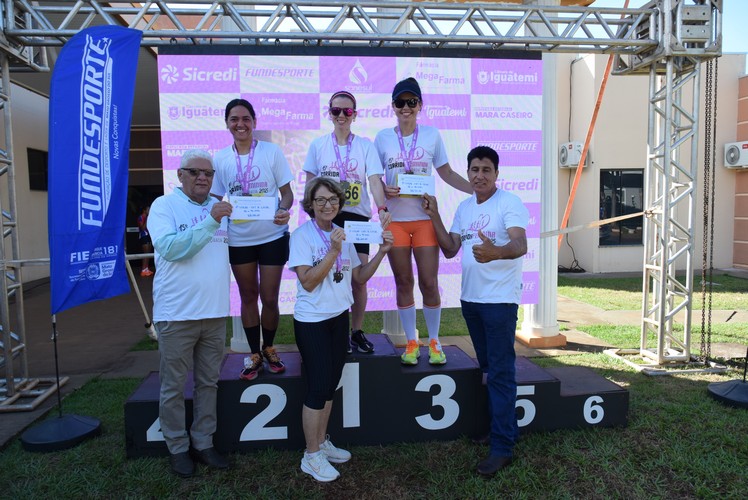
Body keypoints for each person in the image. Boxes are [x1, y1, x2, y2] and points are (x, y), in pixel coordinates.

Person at [422, 145, 529, 476]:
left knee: (500, 372)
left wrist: (496, 252)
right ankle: (496, 430)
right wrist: (435, 215)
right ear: (467, 174)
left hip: (499, 303)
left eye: (486, 170)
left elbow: (520, 244)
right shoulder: (464, 207)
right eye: (474, 170)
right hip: (472, 301)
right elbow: (451, 249)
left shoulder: (509, 202)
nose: (479, 175)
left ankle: (502, 446)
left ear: (497, 174)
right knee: (488, 369)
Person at [289, 177, 393, 482]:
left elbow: (358, 277)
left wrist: (382, 252)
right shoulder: (301, 237)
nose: (328, 205)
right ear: (311, 204)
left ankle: (321, 443)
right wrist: (333, 252)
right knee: (318, 387)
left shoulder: (342, 236)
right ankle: (310, 456)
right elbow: (307, 281)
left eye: (333, 200)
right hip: (312, 322)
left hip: (337, 319)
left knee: (331, 384)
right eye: (321, 200)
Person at [374, 77, 472, 366]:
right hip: (396, 221)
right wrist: (383, 190)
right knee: (403, 281)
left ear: (420, 106)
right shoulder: (383, 138)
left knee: (429, 282)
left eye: (412, 102)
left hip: (425, 219)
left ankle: (435, 341)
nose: (406, 108)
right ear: (393, 106)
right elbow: (374, 178)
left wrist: (479, 191)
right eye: (401, 102)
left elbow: (447, 173)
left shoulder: (431, 135)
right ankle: (410, 342)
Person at [148, 149, 233, 477]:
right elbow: (171, 249)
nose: (203, 178)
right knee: (172, 385)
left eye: (208, 174)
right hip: (176, 314)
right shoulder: (164, 206)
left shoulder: (219, 209)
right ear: (180, 175)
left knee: (208, 382)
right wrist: (212, 219)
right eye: (195, 172)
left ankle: (203, 441)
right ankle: (177, 446)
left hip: (214, 313)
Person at [303, 90, 392, 354]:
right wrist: (311, 212)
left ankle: (357, 331)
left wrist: (382, 207)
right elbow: (310, 182)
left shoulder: (365, 145)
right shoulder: (318, 145)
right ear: (329, 113)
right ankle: (335, 331)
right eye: (336, 111)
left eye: (347, 111)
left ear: (355, 114)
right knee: (330, 272)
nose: (341, 116)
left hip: (357, 217)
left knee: (359, 278)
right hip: (328, 214)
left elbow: (374, 180)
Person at [211, 98, 294, 381]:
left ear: (254, 122)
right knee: (248, 296)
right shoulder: (220, 158)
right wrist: (213, 211)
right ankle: (254, 353)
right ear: (227, 124)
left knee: (269, 297)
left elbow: (287, 193)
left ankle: (269, 347)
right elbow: (214, 197)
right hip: (239, 239)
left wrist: (284, 209)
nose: (240, 124)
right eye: (234, 119)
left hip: (272, 236)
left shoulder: (271, 152)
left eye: (246, 119)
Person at [137, 205, 154, 277]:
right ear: (144, 210)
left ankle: (146, 268)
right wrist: (147, 219)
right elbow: (142, 228)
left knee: (148, 253)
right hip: (143, 236)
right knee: (145, 253)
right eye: (148, 209)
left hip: (148, 236)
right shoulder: (141, 217)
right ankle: (143, 269)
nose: (149, 211)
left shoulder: (149, 217)